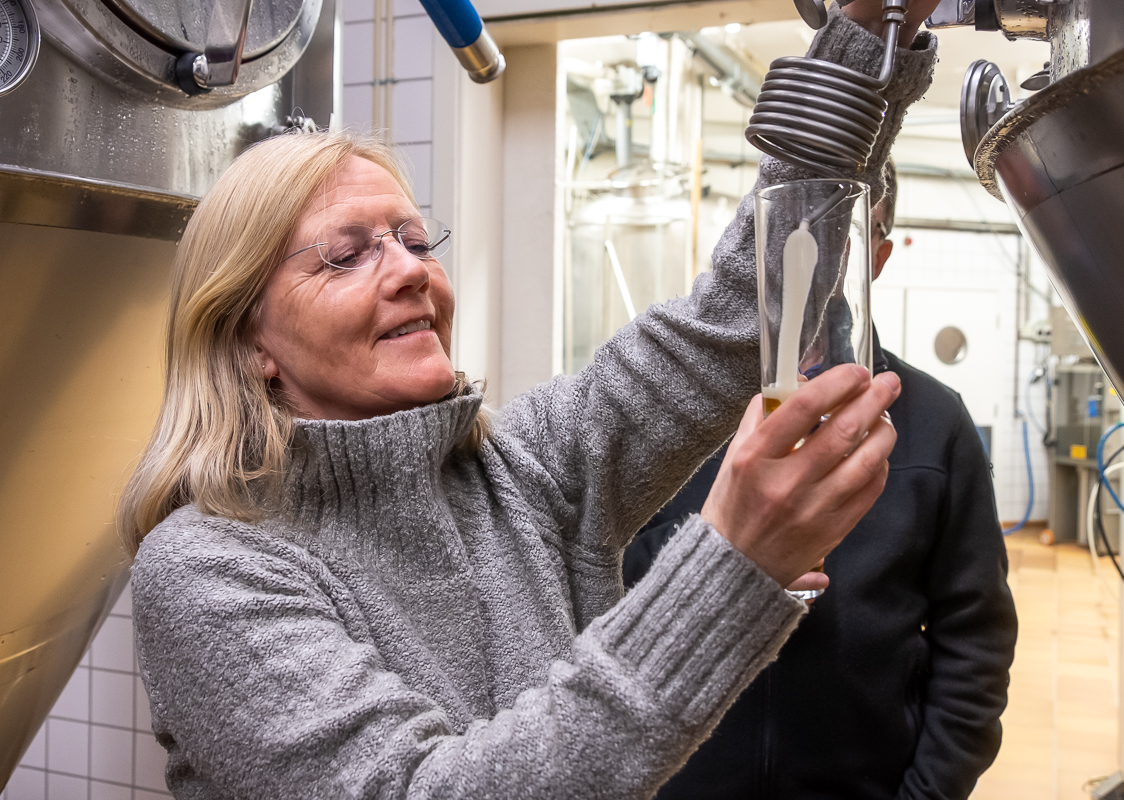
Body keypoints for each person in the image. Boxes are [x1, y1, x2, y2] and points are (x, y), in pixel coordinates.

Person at [120, 4, 939, 797]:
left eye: (413, 240)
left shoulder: (525, 470)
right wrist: (730, 566)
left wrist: (868, 32)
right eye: (345, 257)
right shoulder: (209, 571)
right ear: (248, 339)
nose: (410, 270)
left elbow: (731, 319)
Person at [623, 160, 1020, 800]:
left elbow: (975, 646)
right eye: (788, 228)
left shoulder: (934, 424)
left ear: (879, 253)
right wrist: (720, 557)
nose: (809, 250)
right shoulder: (679, 412)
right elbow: (611, 580)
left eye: (845, 232)